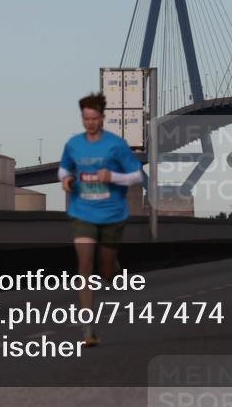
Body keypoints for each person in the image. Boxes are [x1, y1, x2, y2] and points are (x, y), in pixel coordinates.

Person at [59, 92, 144, 347]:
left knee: (106, 272)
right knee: (84, 266)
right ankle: (88, 328)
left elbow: (137, 175)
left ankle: (112, 268)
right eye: (86, 119)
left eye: (94, 119)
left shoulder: (116, 145)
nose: (90, 123)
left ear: (102, 118)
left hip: (112, 214)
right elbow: (64, 168)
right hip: (83, 212)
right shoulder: (74, 144)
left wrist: (113, 177)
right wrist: (66, 179)